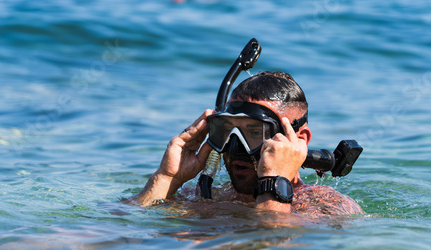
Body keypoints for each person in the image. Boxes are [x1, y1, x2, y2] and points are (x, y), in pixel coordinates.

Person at [128, 71, 364, 216]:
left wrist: (274, 182)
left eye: (254, 132)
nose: (236, 147)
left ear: (299, 140)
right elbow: (121, 227)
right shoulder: (201, 197)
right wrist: (168, 178)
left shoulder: (327, 207)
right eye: (227, 130)